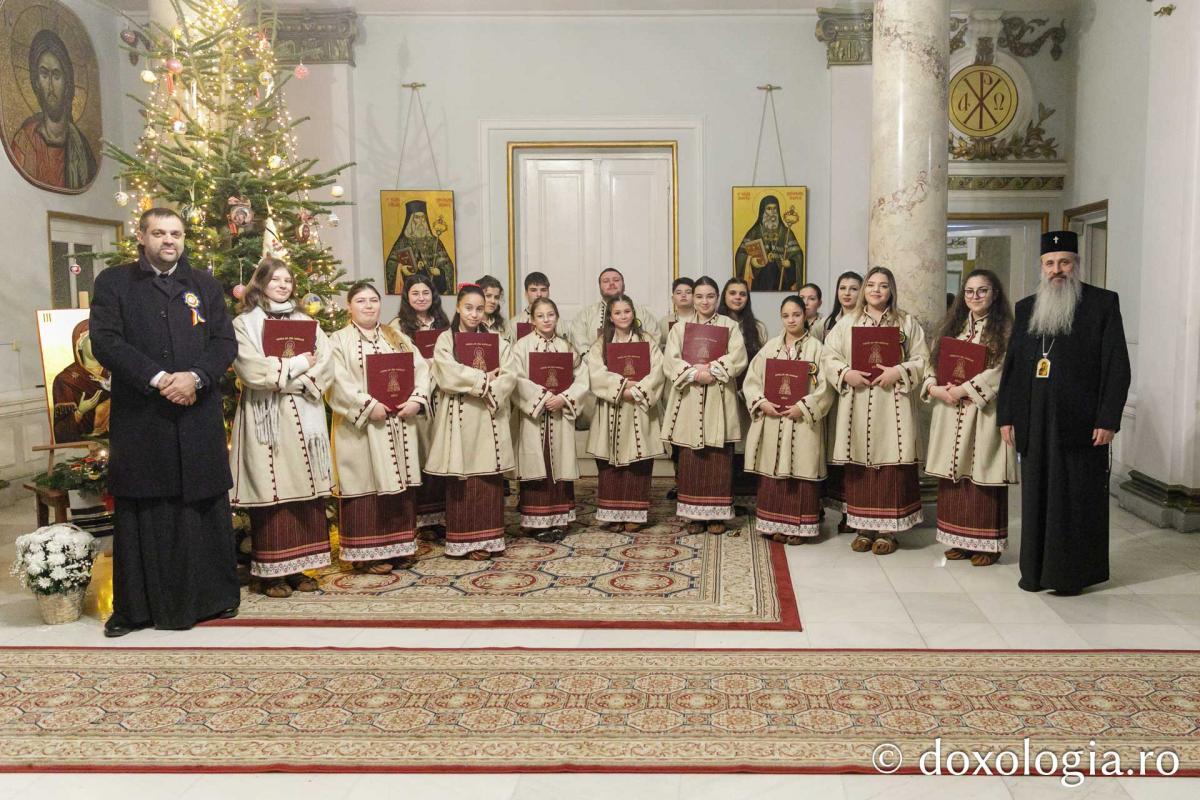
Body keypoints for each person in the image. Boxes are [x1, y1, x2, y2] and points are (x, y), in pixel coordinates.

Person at [89, 208, 239, 636]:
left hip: (196, 413)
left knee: (199, 506)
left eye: (175, 233)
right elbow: (105, 341)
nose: (168, 240)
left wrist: (196, 377)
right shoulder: (114, 282)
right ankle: (135, 610)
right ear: (142, 236)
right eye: (159, 232)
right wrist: (158, 379)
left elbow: (223, 341)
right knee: (145, 509)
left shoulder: (204, 284)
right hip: (143, 418)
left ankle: (213, 599)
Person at [998, 231, 1131, 595]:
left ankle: (1070, 575)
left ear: (1076, 264)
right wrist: (1006, 416)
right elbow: (1012, 367)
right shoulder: (1027, 307)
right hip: (1034, 420)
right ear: (1042, 267)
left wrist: (1108, 419)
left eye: (1064, 262)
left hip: (1081, 422)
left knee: (1074, 498)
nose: (1056, 269)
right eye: (1050, 263)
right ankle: (1035, 572)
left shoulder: (1101, 304)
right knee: (1036, 497)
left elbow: (1117, 365)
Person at [229, 257, 334, 596]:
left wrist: (295, 379)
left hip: (305, 414)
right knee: (273, 493)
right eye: (275, 279)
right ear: (260, 283)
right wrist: (299, 364)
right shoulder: (244, 323)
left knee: (305, 493)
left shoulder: (307, 322)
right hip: (267, 419)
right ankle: (271, 574)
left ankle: (300, 569)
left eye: (287, 280)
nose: (283, 285)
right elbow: (250, 368)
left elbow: (326, 362)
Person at [823, 266, 929, 555]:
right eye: (871, 285)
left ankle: (887, 532)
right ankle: (863, 528)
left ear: (891, 290)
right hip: (857, 402)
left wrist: (899, 371)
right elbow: (828, 356)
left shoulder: (906, 322)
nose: (876, 290)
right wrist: (846, 373)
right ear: (864, 289)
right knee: (860, 466)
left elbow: (922, 359)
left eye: (883, 285)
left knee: (892, 466)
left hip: (894, 404)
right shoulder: (847, 323)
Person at [327, 283, 430, 574]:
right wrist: (367, 405)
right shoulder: (338, 340)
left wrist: (417, 399)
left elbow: (421, 369)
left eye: (373, 300)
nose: (369, 305)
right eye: (361, 300)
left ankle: (400, 548)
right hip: (361, 429)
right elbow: (335, 380)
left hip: (398, 423)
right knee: (364, 484)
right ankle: (365, 555)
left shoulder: (396, 336)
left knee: (399, 484)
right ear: (349, 306)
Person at [924, 270, 1017, 567]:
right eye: (969, 291)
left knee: (982, 476)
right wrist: (935, 387)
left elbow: (1003, 370)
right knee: (953, 475)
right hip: (950, 411)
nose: (975, 297)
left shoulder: (1006, 330)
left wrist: (965, 389)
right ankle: (958, 540)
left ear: (995, 294)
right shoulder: (952, 326)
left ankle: (987, 545)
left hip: (983, 412)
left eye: (982, 290)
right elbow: (931, 363)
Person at [426, 284, 517, 560]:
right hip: (459, 417)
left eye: (479, 309)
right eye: (468, 308)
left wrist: (490, 386)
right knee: (463, 480)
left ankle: (490, 540)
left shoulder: (497, 341)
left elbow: (510, 374)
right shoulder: (446, 340)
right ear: (458, 307)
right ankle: (464, 542)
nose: (474, 314)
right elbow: (446, 373)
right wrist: (484, 379)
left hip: (488, 415)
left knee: (488, 480)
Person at [661, 276, 748, 534]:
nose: (704, 301)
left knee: (718, 458)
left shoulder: (730, 326)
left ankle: (717, 516)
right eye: (699, 296)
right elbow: (670, 360)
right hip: (689, 396)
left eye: (710, 296)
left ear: (717, 298)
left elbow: (738, 357)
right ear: (693, 298)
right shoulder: (680, 328)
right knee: (692, 458)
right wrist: (694, 374)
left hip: (719, 396)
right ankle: (694, 516)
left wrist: (712, 370)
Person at [744, 296, 833, 544]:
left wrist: (803, 407)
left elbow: (826, 388)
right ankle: (774, 524)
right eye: (786, 315)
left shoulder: (818, 349)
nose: (791, 320)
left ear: (805, 315)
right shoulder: (770, 348)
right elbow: (752, 381)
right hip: (773, 420)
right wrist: (762, 402)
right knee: (773, 470)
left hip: (803, 422)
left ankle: (799, 528)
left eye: (796, 314)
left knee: (801, 470)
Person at [586, 295, 666, 530]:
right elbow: (595, 372)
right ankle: (612, 514)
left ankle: (635, 515)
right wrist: (622, 386)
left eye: (627, 311)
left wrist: (637, 390)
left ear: (633, 313)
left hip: (639, 408)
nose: (623, 316)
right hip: (611, 408)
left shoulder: (647, 340)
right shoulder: (601, 343)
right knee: (609, 464)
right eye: (618, 312)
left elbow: (658, 370)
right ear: (610, 317)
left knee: (638, 463)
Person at [512, 297, 588, 541]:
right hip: (533, 418)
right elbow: (515, 378)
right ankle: (535, 522)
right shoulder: (521, 346)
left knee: (559, 464)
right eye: (541, 316)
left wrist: (564, 398)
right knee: (536, 464)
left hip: (560, 415)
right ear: (532, 320)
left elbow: (582, 378)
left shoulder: (566, 346)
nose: (546, 320)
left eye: (550, 315)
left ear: (557, 317)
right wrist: (543, 398)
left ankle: (559, 519)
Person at [390, 274, 451, 538]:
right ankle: (421, 520)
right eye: (415, 293)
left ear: (433, 295)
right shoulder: (397, 326)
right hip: (417, 396)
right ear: (407, 296)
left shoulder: (444, 323)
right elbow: (395, 362)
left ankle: (441, 517)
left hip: (442, 393)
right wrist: (422, 365)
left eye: (426, 293)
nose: (421, 298)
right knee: (420, 455)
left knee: (441, 454)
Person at [11, 30, 97, 191]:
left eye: (56, 76)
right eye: (44, 75)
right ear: (36, 82)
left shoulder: (82, 148)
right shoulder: (25, 142)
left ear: (67, 82)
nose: (50, 86)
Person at [718, 277, 767, 505]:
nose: (737, 297)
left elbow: (764, 364)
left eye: (742, 294)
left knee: (747, 442)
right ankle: (726, 497)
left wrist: (751, 391)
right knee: (726, 442)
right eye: (732, 293)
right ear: (724, 296)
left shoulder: (757, 328)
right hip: (723, 392)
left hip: (748, 396)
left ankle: (747, 497)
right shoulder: (716, 325)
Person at [822, 271, 862, 531]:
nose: (847, 293)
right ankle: (842, 509)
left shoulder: (864, 321)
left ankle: (856, 511)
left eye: (853, 288)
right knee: (837, 451)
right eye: (842, 288)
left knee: (856, 448)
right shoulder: (828, 323)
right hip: (834, 392)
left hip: (860, 392)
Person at [568, 268, 662, 356]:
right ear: (600, 287)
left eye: (616, 280)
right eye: (606, 281)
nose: (612, 283)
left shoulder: (642, 312)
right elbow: (579, 344)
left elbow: (655, 339)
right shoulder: (585, 315)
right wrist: (596, 362)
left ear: (623, 285)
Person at [51, 319, 111, 442]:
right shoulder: (65, 380)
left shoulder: (116, 371)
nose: (98, 343)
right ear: (79, 344)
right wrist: (80, 411)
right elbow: (61, 432)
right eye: (93, 338)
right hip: (83, 446)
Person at [735, 195, 804, 292]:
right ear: (762, 211)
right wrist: (751, 261)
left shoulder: (786, 232)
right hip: (759, 282)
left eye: (775, 209)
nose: (772, 212)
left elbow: (798, 256)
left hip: (781, 281)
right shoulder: (754, 231)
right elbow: (740, 255)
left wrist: (790, 263)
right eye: (769, 209)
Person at [384, 199, 453, 295]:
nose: (421, 221)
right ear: (410, 220)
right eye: (417, 218)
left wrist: (440, 272)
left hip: (432, 290)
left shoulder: (434, 242)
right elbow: (391, 264)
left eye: (423, 218)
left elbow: (447, 265)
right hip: (410, 290)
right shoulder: (402, 242)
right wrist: (401, 269)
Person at [477, 274, 515, 344]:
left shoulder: (504, 324)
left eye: (496, 297)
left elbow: (512, 348)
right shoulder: (471, 323)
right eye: (488, 296)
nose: (493, 301)